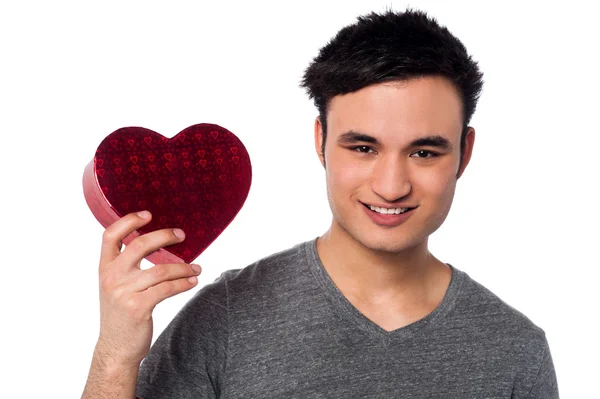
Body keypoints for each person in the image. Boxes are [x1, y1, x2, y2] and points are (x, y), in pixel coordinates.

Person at [81, 8, 559, 398]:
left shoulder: (515, 350)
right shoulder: (222, 320)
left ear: (465, 153)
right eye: (363, 148)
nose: (391, 186)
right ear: (321, 141)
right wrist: (116, 354)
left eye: (424, 152)